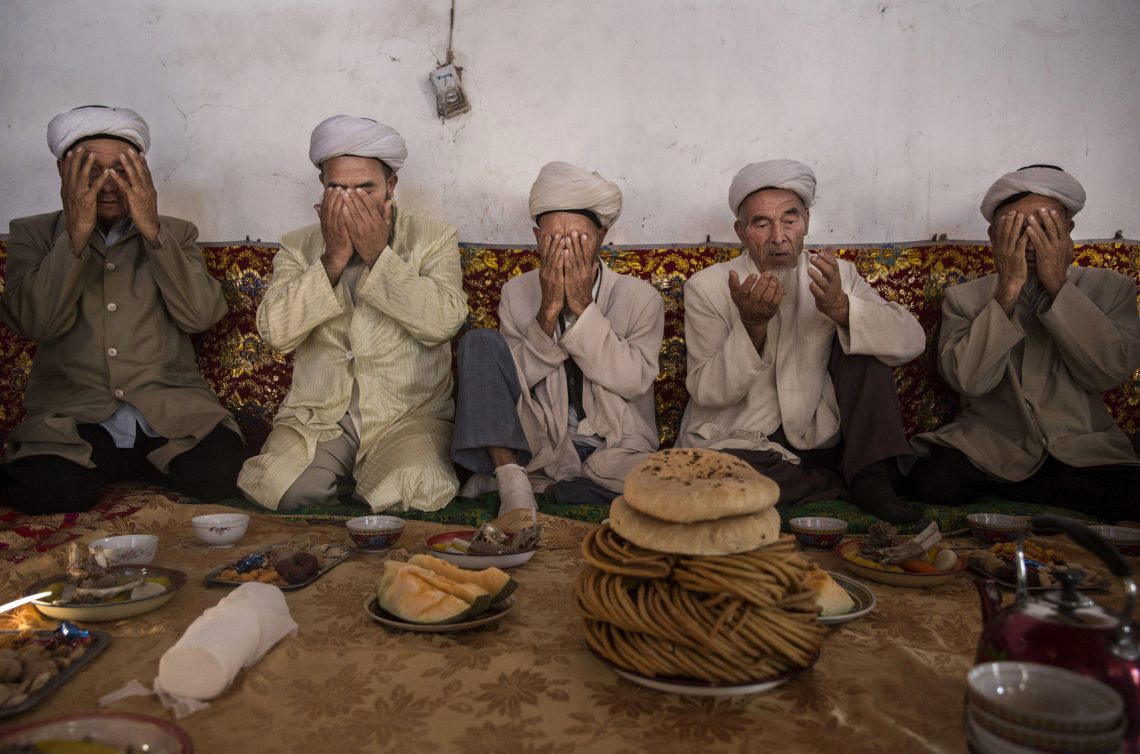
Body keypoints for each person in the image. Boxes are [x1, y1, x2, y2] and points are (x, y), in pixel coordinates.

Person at [0, 105, 243, 514]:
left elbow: (200, 316)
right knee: (44, 490)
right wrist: (75, 236)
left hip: (170, 412)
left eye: (123, 170)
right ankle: (106, 465)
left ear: (142, 173)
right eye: (92, 171)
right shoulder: (32, 234)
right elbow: (34, 321)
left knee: (221, 473)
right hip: (76, 416)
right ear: (64, 171)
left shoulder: (176, 232)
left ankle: (137, 462)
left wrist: (153, 232)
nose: (109, 185)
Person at [238, 115, 467, 512]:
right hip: (319, 417)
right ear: (322, 189)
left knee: (413, 488)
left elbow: (444, 323)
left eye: (365, 188)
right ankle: (339, 478)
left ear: (390, 187)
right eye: (337, 188)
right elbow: (275, 333)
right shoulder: (298, 246)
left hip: (406, 416)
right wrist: (332, 259)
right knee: (280, 489)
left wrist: (379, 255)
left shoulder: (433, 238)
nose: (351, 200)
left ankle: (368, 483)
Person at [677, 159, 925, 523]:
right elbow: (709, 391)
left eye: (789, 221)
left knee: (866, 339)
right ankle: (832, 481)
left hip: (819, 435)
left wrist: (842, 309)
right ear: (741, 231)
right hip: (745, 442)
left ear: (805, 222)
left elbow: (911, 340)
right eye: (762, 224)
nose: (779, 237)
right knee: (718, 479)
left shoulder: (835, 274)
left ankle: (869, 477)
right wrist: (751, 328)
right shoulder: (708, 287)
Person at [909, 165, 1140, 520]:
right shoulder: (965, 298)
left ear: (1069, 231)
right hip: (991, 446)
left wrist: (1058, 286)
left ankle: (1030, 494)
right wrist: (1006, 292)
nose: (1031, 242)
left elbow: (1107, 374)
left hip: (1082, 448)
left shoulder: (1110, 289)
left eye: (1045, 228)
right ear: (993, 236)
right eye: (1017, 230)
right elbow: (969, 380)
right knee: (934, 483)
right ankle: (1048, 496)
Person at [452, 161, 664, 515]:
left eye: (578, 239)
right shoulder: (516, 293)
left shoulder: (640, 298)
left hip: (617, 449)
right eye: (552, 239)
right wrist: (547, 312)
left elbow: (632, 381)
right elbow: (511, 383)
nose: (565, 250)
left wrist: (583, 307)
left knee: (668, 486)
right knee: (478, 343)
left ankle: (556, 488)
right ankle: (513, 483)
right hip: (540, 442)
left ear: (601, 236)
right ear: (537, 238)